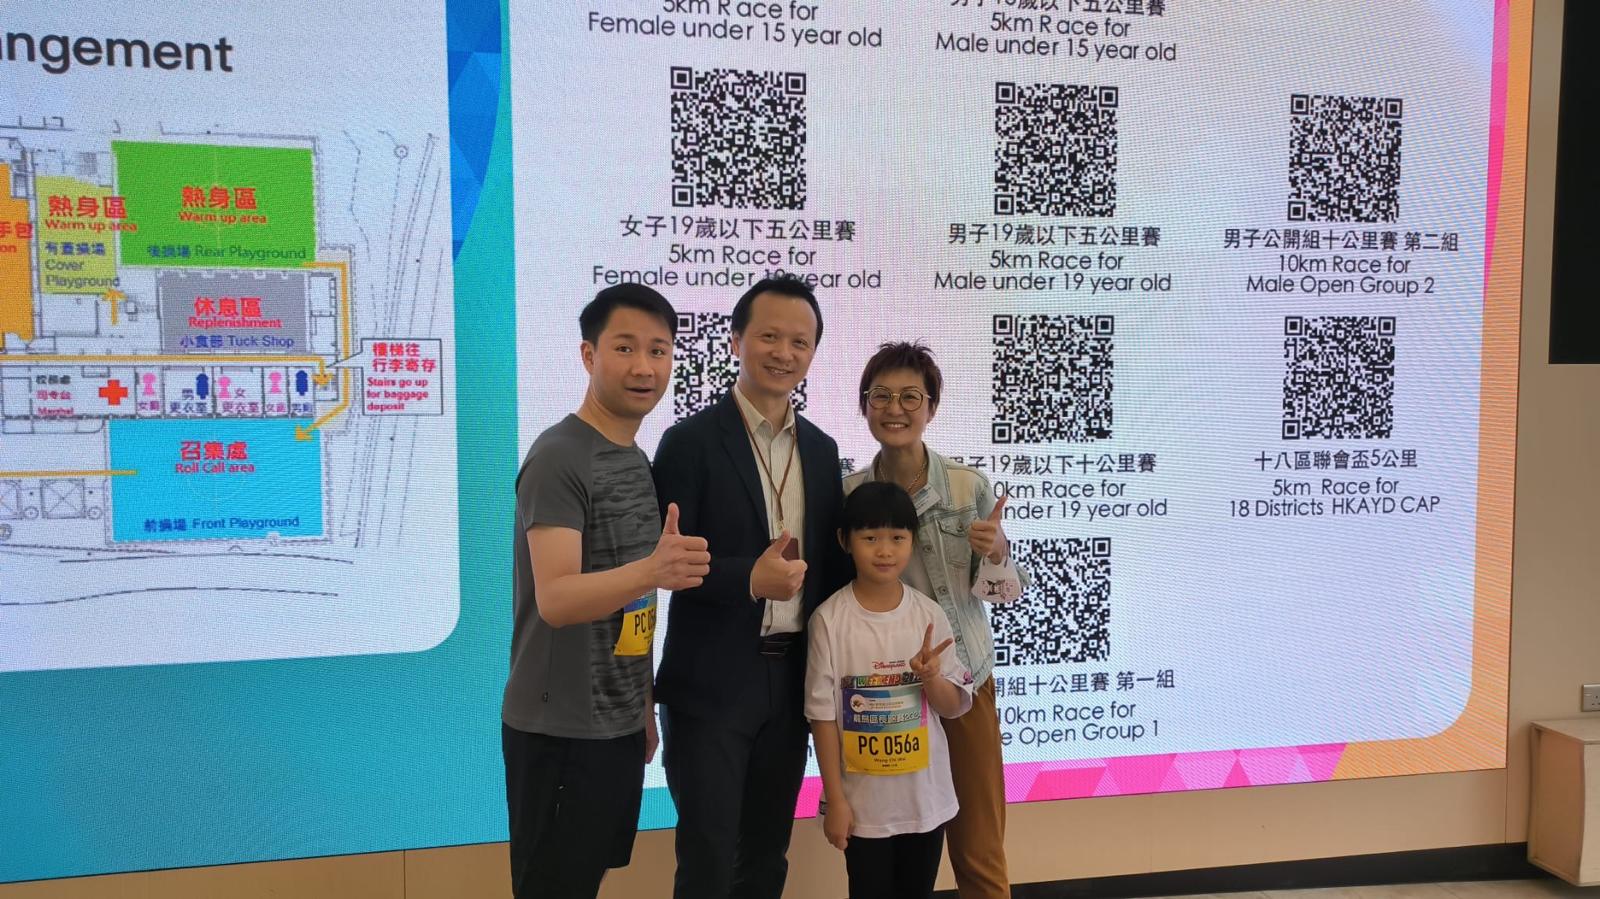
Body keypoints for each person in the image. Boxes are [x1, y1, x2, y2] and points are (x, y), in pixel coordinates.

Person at [501, 283, 711, 899]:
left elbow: (633, 603)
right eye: (625, 348)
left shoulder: (634, 458)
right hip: (559, 727)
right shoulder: (559, 456)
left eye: (658, 350)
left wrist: (639, 706)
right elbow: (558, 599)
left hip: (615, 722)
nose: (644, 367)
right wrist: (653, 570)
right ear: (589, 355)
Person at [651, 275, 853, 899]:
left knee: (766, 858)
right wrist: (750, 578)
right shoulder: (688, 442)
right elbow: (665, 564)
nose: (783, 352)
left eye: (800, 342)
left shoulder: (821, 450)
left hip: (791, 680)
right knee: (709, 861)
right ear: (736, 340)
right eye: (768, 336)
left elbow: (832, 570)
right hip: (711, 682)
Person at [842, 341, 1029, 899]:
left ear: (931, 407)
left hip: (962, 681)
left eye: (910, 397)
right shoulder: (851, 493)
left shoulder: (969, 487)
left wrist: (997, 551)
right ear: (864, 404)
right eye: (881, 396)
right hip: (886, 692)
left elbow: (1003, 593)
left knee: (978, 849)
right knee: (893, 849)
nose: (894, 409)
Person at [807, 480, 975, 899]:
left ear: (912, 542)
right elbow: (821, 717)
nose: (885, 551)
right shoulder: (829, 620)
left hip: (925, 802)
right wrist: (836, 801)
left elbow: (952, 708)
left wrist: (932, 677)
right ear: (845, 541)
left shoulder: (928, 614)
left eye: (897, 538)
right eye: (870, 538)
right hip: (864, 808)